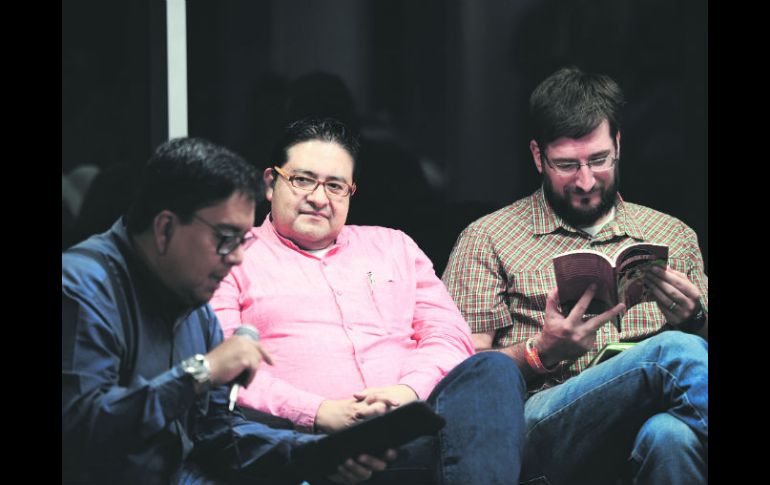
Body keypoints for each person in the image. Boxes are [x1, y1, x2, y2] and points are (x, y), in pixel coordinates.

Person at [210, 117, 527, 484]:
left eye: (335, 185)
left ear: (351, 193)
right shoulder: (233, 257)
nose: (318, 197)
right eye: (302, 180)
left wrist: (405, 393)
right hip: (310, 448)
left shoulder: (394, 247)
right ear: (270, 183)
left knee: (493, 369)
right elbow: (222, 364)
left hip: (415, 435)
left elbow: (449, 336)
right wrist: (318, 411)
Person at [62, 137, 394, 485]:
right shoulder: (80, 288)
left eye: (242, 241)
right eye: (225, 237)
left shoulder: (193, 304)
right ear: (164, 229)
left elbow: (216, 437)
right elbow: (81, 434)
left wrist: (316, 454)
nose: (237, 257)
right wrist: (201, 372)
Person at [442, 67, 707, 484]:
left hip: (647, 423)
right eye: (566, 165)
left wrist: (695, 319)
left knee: (670, 436)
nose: (585, 181)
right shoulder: (487, 238)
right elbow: (457, 379)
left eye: (598, 160)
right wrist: (540, 351)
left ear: (618, 145)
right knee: (672, 352)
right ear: (537, 157)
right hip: (541, 425)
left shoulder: (673, 235)